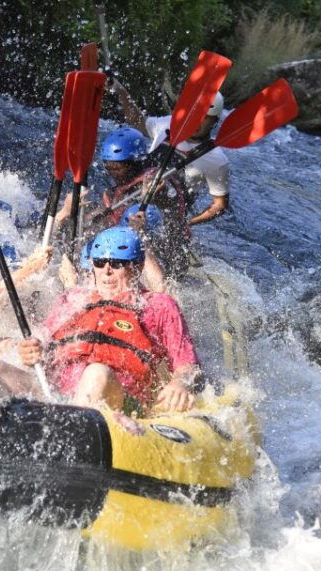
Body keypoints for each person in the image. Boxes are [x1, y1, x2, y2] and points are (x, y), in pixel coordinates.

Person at [18, 226, 202, 416]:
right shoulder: (72, 299)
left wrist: (179, 383)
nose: (106, 271)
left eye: (116, 263)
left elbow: (188, 365)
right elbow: (44, 345)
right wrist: (32, 350)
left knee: (96, 374)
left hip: (120, 399)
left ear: (137, 267)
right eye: (99, 262)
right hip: (57, 394)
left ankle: (73, 430)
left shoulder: (159, 305)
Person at [112, 81, 230, 225]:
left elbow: (219, 205)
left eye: (205, 118)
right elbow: (137, 120)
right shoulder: (169, 125)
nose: (197, 122)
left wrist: (187, 223)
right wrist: (119, 88)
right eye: (194, 114)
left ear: (214, 121)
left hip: (169, 215)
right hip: (133, 196)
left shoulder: (216, 159)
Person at [97, 126, 192, 278]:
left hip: (168, 254)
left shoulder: (157, 179)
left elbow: (167, 202)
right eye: (108, 166)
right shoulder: (114, 191)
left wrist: (156, 196)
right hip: (125, 251)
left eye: (117, 167)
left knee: (140, 213)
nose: (112, 172)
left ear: (134, 162)